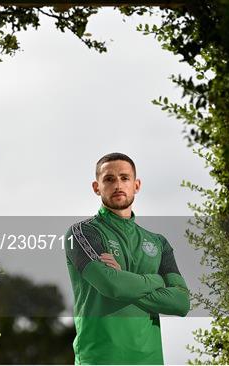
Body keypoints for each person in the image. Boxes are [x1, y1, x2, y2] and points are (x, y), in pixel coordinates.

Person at [65, 152, 190, 365]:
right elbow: (112, 286)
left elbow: (181, 302)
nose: (118, 185)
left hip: (150, 360)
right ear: (97, 187)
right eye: (109, 179)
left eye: (124, 178)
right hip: (99, 359)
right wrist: (156, 280)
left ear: (137, 185)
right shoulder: (82, 233)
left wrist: (123, 277)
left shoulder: (158, 243)